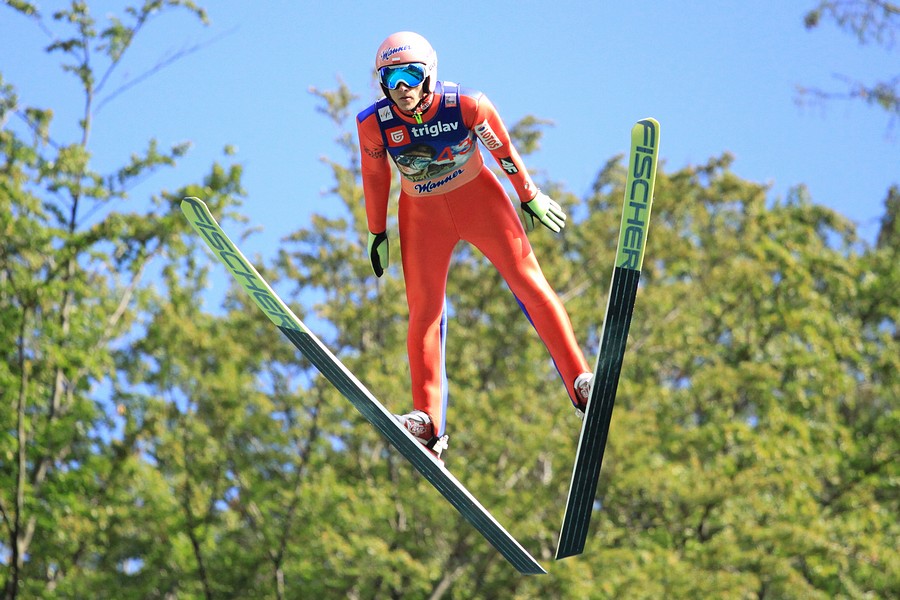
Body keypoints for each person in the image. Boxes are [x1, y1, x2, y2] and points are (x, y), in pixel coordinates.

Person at [356, 31, 592, 458]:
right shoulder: (374, 124)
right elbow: (375, 176)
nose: (402, 87)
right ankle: (428, 422)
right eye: (390, 78)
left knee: (529, 283)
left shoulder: (467, 104)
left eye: (411, 74)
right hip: (422, 217)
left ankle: (580, 382)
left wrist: (529, 195)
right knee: (424, 313)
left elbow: (503, 150)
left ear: (430, 74)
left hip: (480, 201)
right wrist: (376, 230)